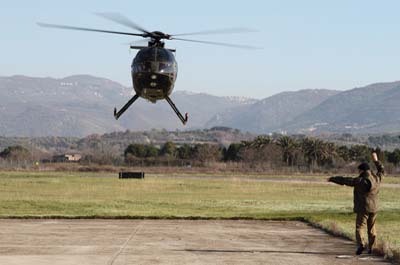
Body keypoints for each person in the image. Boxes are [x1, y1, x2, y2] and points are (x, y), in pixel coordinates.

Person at [328, 152, 384, 255]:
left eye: (359, 170)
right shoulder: (377, 178)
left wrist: (332, 179)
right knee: (372, 228)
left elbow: (345, 180)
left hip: (363, 208)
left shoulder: (360, 181)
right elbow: (381, 171)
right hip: (374, 208)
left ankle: (361, 245)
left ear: (362, 171)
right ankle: (372, 247)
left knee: (360, 227)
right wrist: (376, 161)